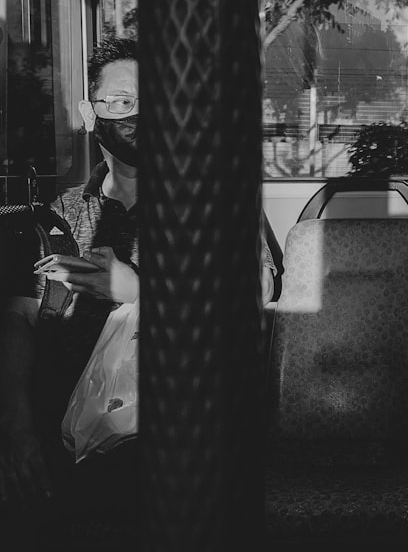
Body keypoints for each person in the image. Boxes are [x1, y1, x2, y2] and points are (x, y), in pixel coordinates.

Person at [0, 37, 278, 544]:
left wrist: (136, 290)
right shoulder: (60, 216)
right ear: (90, 113)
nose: (138, 116)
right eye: (122, 102)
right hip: (62, 424)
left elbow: (250, 298)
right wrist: (15, 429)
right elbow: (18, 318)